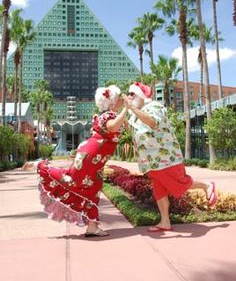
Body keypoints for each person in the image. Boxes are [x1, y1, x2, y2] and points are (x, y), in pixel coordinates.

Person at [23, 85, 129, 237]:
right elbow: (112, 128)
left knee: (93, 187)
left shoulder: (109, 114)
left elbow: (119, 128)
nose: (121, 100)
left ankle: (92, 227)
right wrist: (126, 109)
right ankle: (40, 166)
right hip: (91, 156)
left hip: (93, 156)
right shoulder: (109, 116)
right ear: (112, 101)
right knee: (72, 178)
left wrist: (125, 112)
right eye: (119, 97)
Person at [124, 82, 217, 232]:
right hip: (150, 162)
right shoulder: (135, 114)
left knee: (180, 183)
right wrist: (126, 112)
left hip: (166, 158)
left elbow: (153, 122)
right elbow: (132, 132)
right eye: (128, 94)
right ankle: (165, 221)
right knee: (159, 191)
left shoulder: (154, 106)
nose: (129, 97)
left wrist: (132, 108)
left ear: (141, 96)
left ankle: (206, 186)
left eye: (132, 94)